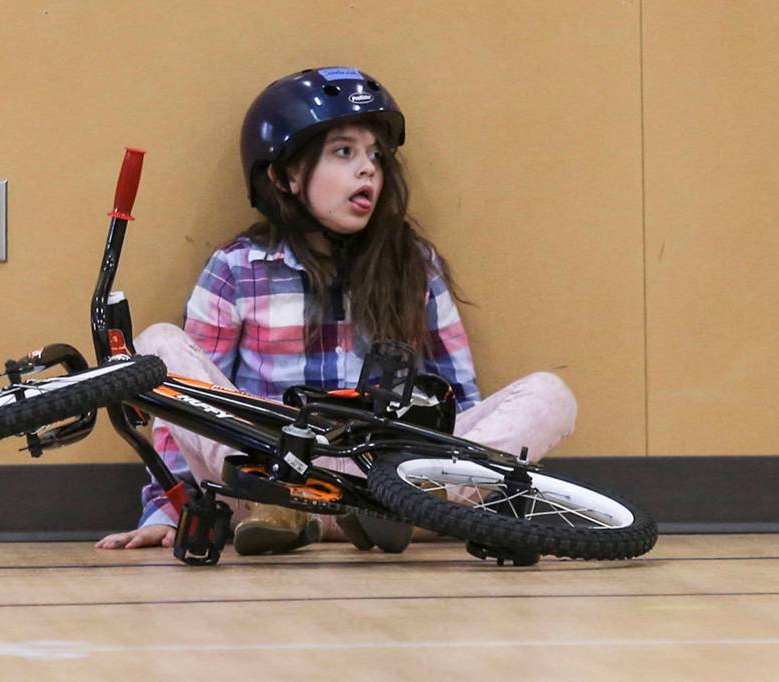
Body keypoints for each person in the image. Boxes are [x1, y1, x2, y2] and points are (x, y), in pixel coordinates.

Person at [97, 67, 577, 554]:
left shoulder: (414, 266)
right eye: (343, 152)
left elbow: (459, 402)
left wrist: (433, 471)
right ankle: (304, 512)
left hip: (393, 479)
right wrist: (167, 507)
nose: (368, 169)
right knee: (157, 344)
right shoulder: (236, 269)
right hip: (271, 477)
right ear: (284, 176)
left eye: (375, 155)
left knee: (551, 394)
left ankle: (393, 511)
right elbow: (186, 414)